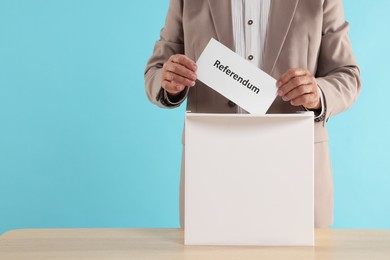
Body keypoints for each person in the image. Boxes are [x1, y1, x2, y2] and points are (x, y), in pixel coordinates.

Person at [144, 0, 361, 228]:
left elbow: (347, 74)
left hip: (296, 170)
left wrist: (317, 93)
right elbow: (156, 71)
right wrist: (167, 79)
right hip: (211, 171)